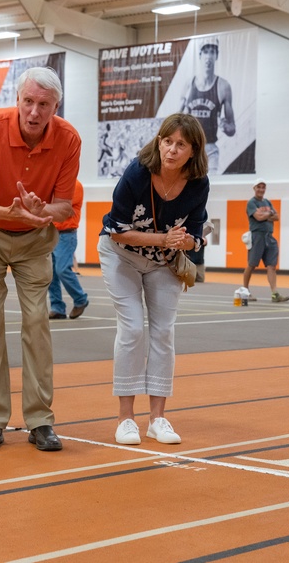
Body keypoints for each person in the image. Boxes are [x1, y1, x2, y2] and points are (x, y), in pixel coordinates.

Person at [0, 66, 80, 452]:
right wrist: (7, 213)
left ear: (55, 106)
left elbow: (64, 207)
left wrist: (42, 209)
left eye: (43, 104)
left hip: (34, 237)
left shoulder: (68, 140)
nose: (34, 112)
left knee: (36, 323)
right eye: (28, 101)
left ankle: (40, 420)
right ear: (17, 99)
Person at [98, 113, 209, 446]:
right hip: (122, 255)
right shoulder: (137, 173)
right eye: (167, 141)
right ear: (158, 142)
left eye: (180, 145)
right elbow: (117, 230)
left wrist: (186, 242)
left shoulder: (199, 183)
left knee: (163, 332)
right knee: (132, 328)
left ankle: (157, 418)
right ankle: (125, 419)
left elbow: (197, 234)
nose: (171, 150)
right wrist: (163, 239)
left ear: (193, 151)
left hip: (163, 262)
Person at [180, 37, 236, 174]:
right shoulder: (189, 84)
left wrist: (224, 126)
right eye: (206, 51)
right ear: (200, 55)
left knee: (210, 188)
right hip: (190, 148)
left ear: (216, 55)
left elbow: (232, 128)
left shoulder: (223, 86)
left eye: (212, 52)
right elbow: (176, 121)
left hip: (210, 148)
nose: (208, 56)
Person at [242, 180, 289, 303]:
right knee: (251, 264)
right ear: (254, 188)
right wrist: (269, 214)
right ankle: (245, 291)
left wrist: (265, 214)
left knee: (272, 266)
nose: (261, 189)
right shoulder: (251, 203)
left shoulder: (267, 202)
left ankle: (275, 294)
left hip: (270, 236)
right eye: (259, 187)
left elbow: (277, 217)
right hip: (257, 236)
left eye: (263, 187)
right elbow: (258, 217)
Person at [48, 179, 89, 320]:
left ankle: (81, 299)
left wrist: (49, 206)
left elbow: (62, 208)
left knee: (62, 269)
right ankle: (57, 308)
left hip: (66, 234)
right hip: (50, 232)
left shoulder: (75, 185)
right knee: (50, 273)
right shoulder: (55, 184)